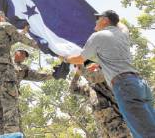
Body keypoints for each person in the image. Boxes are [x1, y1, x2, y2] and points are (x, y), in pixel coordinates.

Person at [63, 10, 155, 138]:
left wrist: (65, 58)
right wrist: (101, 63)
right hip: (139, 85)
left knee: (145, 133)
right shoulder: (122, 33)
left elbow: (79, 59)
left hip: (124, 86)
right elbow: (122, 26)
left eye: (98, 18)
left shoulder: (98, 36)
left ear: (105, 20)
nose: (95, 21)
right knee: (150, 126)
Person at [0, 11, 38, 136]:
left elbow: (4, 42)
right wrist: (44, 46)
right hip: (3, 69)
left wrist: (22, 31)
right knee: (9, 105)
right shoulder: (4, 25)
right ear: (1, 17)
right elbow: (21, 39)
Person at [70, 64, 131, 138]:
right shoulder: (88, 88)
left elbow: (96, 75)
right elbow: (73, 89)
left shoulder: (105, 79)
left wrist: (95, 66)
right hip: (103, 126)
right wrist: (77, 74)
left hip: (116, 123)